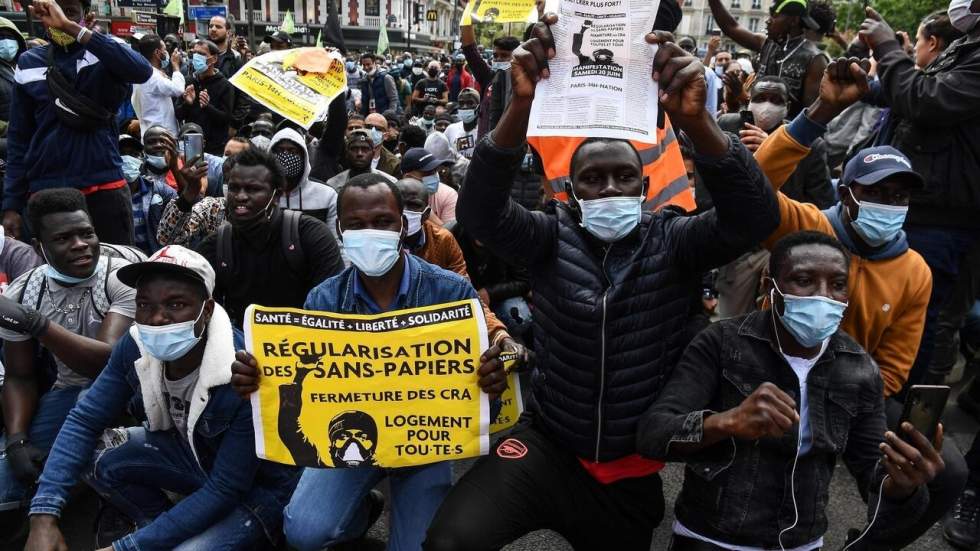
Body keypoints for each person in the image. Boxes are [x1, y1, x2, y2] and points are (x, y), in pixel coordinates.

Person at [422, 13, 778, 549]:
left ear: (643, 185)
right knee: (450, 540)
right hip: (547, 448)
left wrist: (697, 123)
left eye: (624, 177)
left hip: (629, 470)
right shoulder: (548, 237)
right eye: (592, 178)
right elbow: (480, 214)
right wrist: (520, 105)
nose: (609, 188)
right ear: (571, 190)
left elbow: (754, 218)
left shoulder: (675, 240)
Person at [230, 173, 517, 551]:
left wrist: (491, 383)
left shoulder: (450, 292)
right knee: (303, 533)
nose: (370, 231)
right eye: (356, 224)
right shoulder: (323, 299)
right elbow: (308, 385)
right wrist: (259, 380)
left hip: (425, 442)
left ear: (403, 224)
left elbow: (478, 402)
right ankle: (363, 509)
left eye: (382, 221)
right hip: (351, 442)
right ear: (339, 228)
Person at [755, 57, 968, 545]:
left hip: (856, 396)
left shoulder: (915, 271)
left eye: (900, 196)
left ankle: (869, 540)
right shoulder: (807, 225)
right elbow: (755, 182)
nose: (890, 204)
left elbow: (894, 367)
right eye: (877, 193)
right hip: (771, 377)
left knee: (944, 471)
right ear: (847, 195)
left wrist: (845, 403)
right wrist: (817, 114)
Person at [638, 230, 945, 550]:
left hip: (802, 541)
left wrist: (901, 484)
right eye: (804, 280)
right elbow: (653, 433)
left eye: (837, 284)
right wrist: (726, 422)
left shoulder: (859, 368)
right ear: (771, 288)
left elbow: (871, 469)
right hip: (714, 536)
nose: (823, 296)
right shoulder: (721, 343)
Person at [22, 245, 299, 550]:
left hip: (255, 491)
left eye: (176, 304)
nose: (156, 319)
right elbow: (84, 419)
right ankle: (154, 523)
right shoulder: (136, 344)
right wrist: (43, 515)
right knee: (94, 450)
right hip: (193, 458)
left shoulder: (243, 372)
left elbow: (226, 487)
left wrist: (125, 548)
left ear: (206, 310)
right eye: (144, 305)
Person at [858, 3, 980, 391]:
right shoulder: (969, 46)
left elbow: (927, 99)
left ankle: (905, 415)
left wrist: (888, 50)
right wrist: (869, 87)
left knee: (925, 320)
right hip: (924, 208)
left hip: (945, 221)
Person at [0, 189, 137, 513]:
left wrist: (38, 325)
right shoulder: (25, 291)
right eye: (63, 238)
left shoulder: (123, 274)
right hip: (68, 396)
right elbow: (20, 377)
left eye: (86, 233)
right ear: (39, 248)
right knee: (5, 487)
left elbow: (108, 364)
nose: (79, 245)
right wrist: (18, 438)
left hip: (135, 394)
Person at [3, 0, 152, 244]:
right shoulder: (28, 63)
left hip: (104, 187)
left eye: (69, 11)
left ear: (86, 16)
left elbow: (141, 71)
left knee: (115, 269)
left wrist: (73, 29)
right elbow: (19, 139)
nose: (60, 18)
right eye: (55, 11)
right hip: (47, 191)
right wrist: (11, 204)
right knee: (58, 275)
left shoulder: (104, 51)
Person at [195, 148, 343, 327]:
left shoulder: (311, 236)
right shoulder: (216, 246)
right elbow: (203, 316)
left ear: (277, 195)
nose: (240, 196)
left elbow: (333, 310)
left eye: (253, 189)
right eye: (234, 188)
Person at [707, 0, 827, 118]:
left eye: (775, 16)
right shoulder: (766, 44)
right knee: (724, 121)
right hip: (752, 124)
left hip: (785, 134)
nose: (768, 21)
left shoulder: (815, 60)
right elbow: (730, 27)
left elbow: (809, 115)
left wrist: (742, 95)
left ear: (793, 21)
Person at [270, 127, 338, 228]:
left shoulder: (326, 194)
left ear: (304, 156)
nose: (285, 156)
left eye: (292, 151)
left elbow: (334, 239)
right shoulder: (262, 193)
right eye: (280, 151)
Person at [176, 40, 235, 157]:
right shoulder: (188, 81)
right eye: (195, 53)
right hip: (191, 144)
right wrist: (187, 103)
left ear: (213, 59)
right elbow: (178, 115)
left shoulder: (225, 85)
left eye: (202, 54)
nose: (197, 57)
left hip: (215, 147)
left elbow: (226, 118)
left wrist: (207, 106)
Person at [125, 127, 177, 255]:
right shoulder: (107, 195)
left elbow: (183, 213)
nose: (158, 145)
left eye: (133, 154)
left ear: (140, 157)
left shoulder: (159, 189)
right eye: (123, 154)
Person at [461, 26, 520, 137]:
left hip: (512, 148)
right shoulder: (489, 77)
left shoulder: (525, 83)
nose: (498, 59)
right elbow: (469, 50)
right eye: (495, 55)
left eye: (504, 55)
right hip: (485, 147)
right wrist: (467, 16)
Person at [133, 33, 184, 137]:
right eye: (164, 49)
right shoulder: (153, 76)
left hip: (150, 132)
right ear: (157, 52)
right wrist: (176, 66)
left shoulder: (142, 73)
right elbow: (178, 89)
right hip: (161, 137)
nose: (166, 53)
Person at [325, 130, 397, 192]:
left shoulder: (390, 183)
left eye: (365, 149)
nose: (360, 154)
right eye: (354, 149)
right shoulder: (333, 185)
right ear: (346, 153)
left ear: (373, 153)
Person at [400, 148, 457, 225]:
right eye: (427, 173)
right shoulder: (394, 199)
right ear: (408, 178)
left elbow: (452, 235)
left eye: (435, 171)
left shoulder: (448, 195)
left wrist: (429, 216)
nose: (435, 176)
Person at [677, 36, 722, 116]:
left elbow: (711, 109)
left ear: (695, 50)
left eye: (688, 47)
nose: (684, 50)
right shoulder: (666, 70)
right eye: (681, 47)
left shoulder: (709, 73)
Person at [0, 16, 25, 138]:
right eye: (0, 38)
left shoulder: (26, 65)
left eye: (10, 37)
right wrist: (8, 129)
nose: (6, 42)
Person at [444, 88, 480, 159]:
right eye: (461, 103)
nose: (465, 107)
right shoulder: (451, 129)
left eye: (470, 103)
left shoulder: (484, 130)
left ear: (478, 106)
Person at [364, 113, 401, 178]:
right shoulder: (350, 153)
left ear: (386, 135)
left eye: (378, 129)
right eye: (369, 127)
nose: (373, 131)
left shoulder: (393, 164)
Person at [208, 15, 242, 80]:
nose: (213, 29)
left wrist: (244, 56)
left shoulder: (235, 57)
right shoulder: (202, 55)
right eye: (211, 26)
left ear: (228, 32)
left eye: (218, 27)